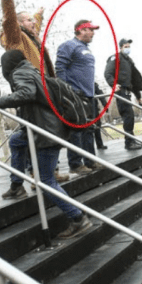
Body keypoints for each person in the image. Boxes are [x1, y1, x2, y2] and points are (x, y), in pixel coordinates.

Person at [0, 50, 92, 239]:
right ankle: (17, 185)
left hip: (45, 132)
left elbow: (26, 93)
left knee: (45, 180)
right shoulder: (34, 71)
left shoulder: (20, 73)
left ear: (8, 65)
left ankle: (78, 218)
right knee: (16, 141)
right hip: (41, 128)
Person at [56, 20, 102, 175]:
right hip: (75, 95)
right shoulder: (69, 45)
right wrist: (66, 92)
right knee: (76, 130)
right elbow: (60, 68)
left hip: (89, 95)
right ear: (81, 30)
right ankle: (75, 164)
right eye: (91, 30)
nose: (93, 33)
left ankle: (90, 161)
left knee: (89, 129)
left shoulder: (86, 49)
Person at [0, 0, 55, 76]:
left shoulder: (31, 36)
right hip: (33, 81)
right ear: (19, 24)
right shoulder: (17, 37)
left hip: (46, 82)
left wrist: (38, 15)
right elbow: (9, 19)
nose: (33, 22)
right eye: (29, 20)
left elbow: (35, 27)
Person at [104, 38, 142, 150]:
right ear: (121, 47)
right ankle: (129, 142)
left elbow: (134, 80)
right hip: (121, 91)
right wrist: (113, 84)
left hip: (128, 92)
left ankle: (131, 140)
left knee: (130, 117)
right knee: (128, 116)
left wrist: (138, 96)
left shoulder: (128, 61)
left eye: (129, 47)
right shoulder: (115, 58)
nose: (128, 48)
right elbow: (108, 73)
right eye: (126, 47)